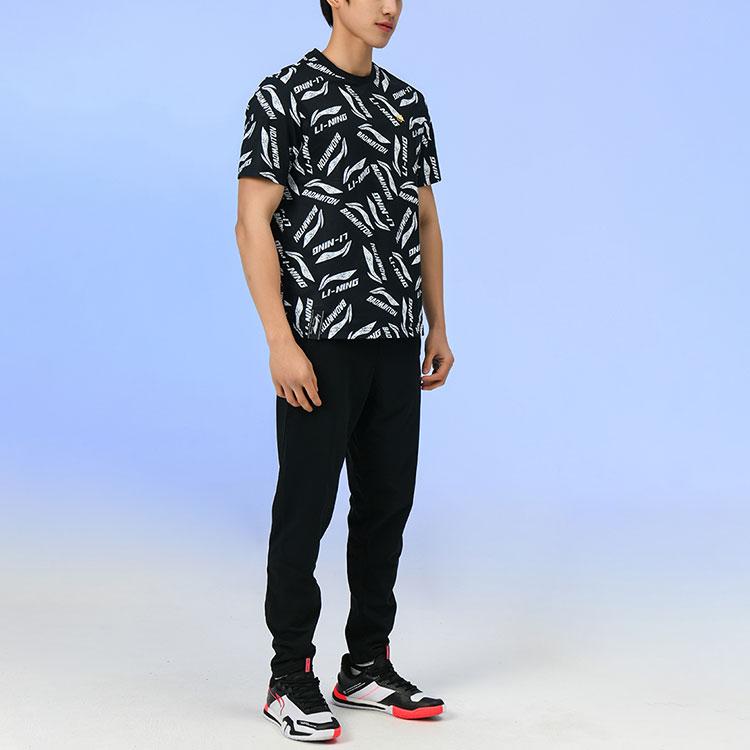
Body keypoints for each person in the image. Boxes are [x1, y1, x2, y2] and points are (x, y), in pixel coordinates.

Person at [234, 0, 454, 741]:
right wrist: (279, 340)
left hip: (395, 338)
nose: (390, 7)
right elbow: (252, 222)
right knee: (306, 507)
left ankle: (364, 665)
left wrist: (437, 325)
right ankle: (288, 674)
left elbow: (425, 219)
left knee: (387, 505)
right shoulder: (284, 95)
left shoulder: (407, 103)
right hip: (319, 341)